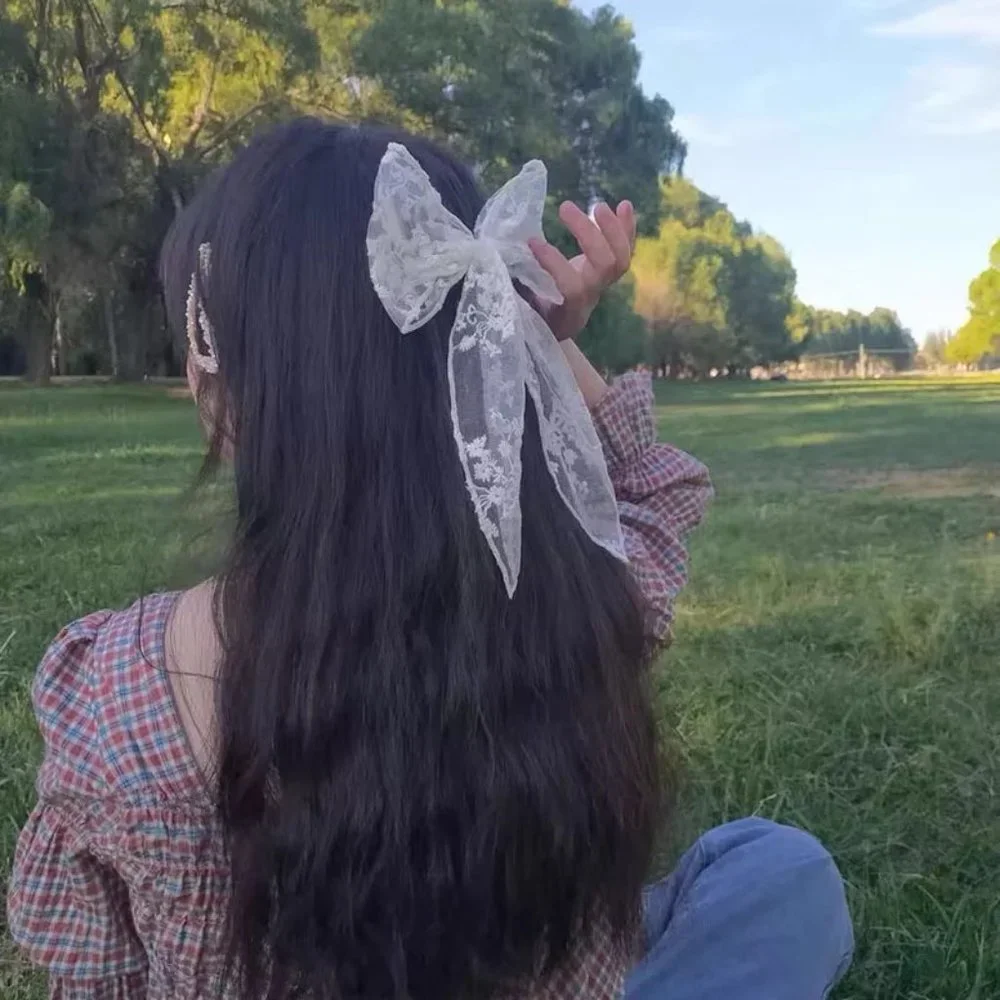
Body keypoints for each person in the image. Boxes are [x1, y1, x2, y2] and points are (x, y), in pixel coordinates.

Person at [8, 119, 851, 1000]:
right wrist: (547, 341)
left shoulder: (113, 692)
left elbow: (95, 980)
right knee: (776, 868)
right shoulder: (570, 607)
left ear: (221, 393)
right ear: (490, 358)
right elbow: (651, 489)